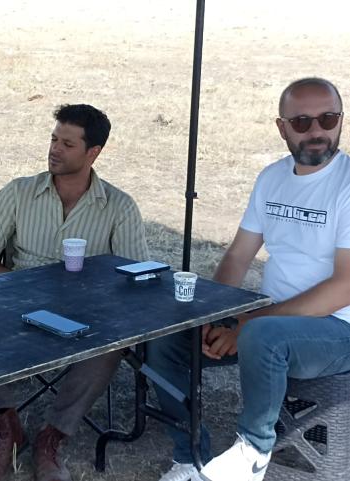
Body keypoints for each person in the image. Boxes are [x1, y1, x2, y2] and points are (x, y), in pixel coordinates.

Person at [147, 76, 350, 481]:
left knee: (263, 335)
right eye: (302, 122)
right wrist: (213, 315)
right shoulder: (271, 178)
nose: (316, 131)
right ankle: (190, 458)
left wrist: (246, 323)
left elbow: (343, 287)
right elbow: (239, 255)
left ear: (341, 120)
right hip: (270, 320)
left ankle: (253, 450)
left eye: (328, 119)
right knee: (167, 337)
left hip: (337, 328)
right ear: (282, 127)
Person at [0, 104, 149, 481]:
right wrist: (20, 287)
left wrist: (92, 298)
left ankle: (53, 436)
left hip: (85, 312)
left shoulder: (119, 206)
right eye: (53, 140)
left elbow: (135, 276)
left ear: (93, 152)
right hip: (16, 301)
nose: (54, 150)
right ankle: (6, 429)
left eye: (67, 144)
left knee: (116, 336)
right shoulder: (19, 192)